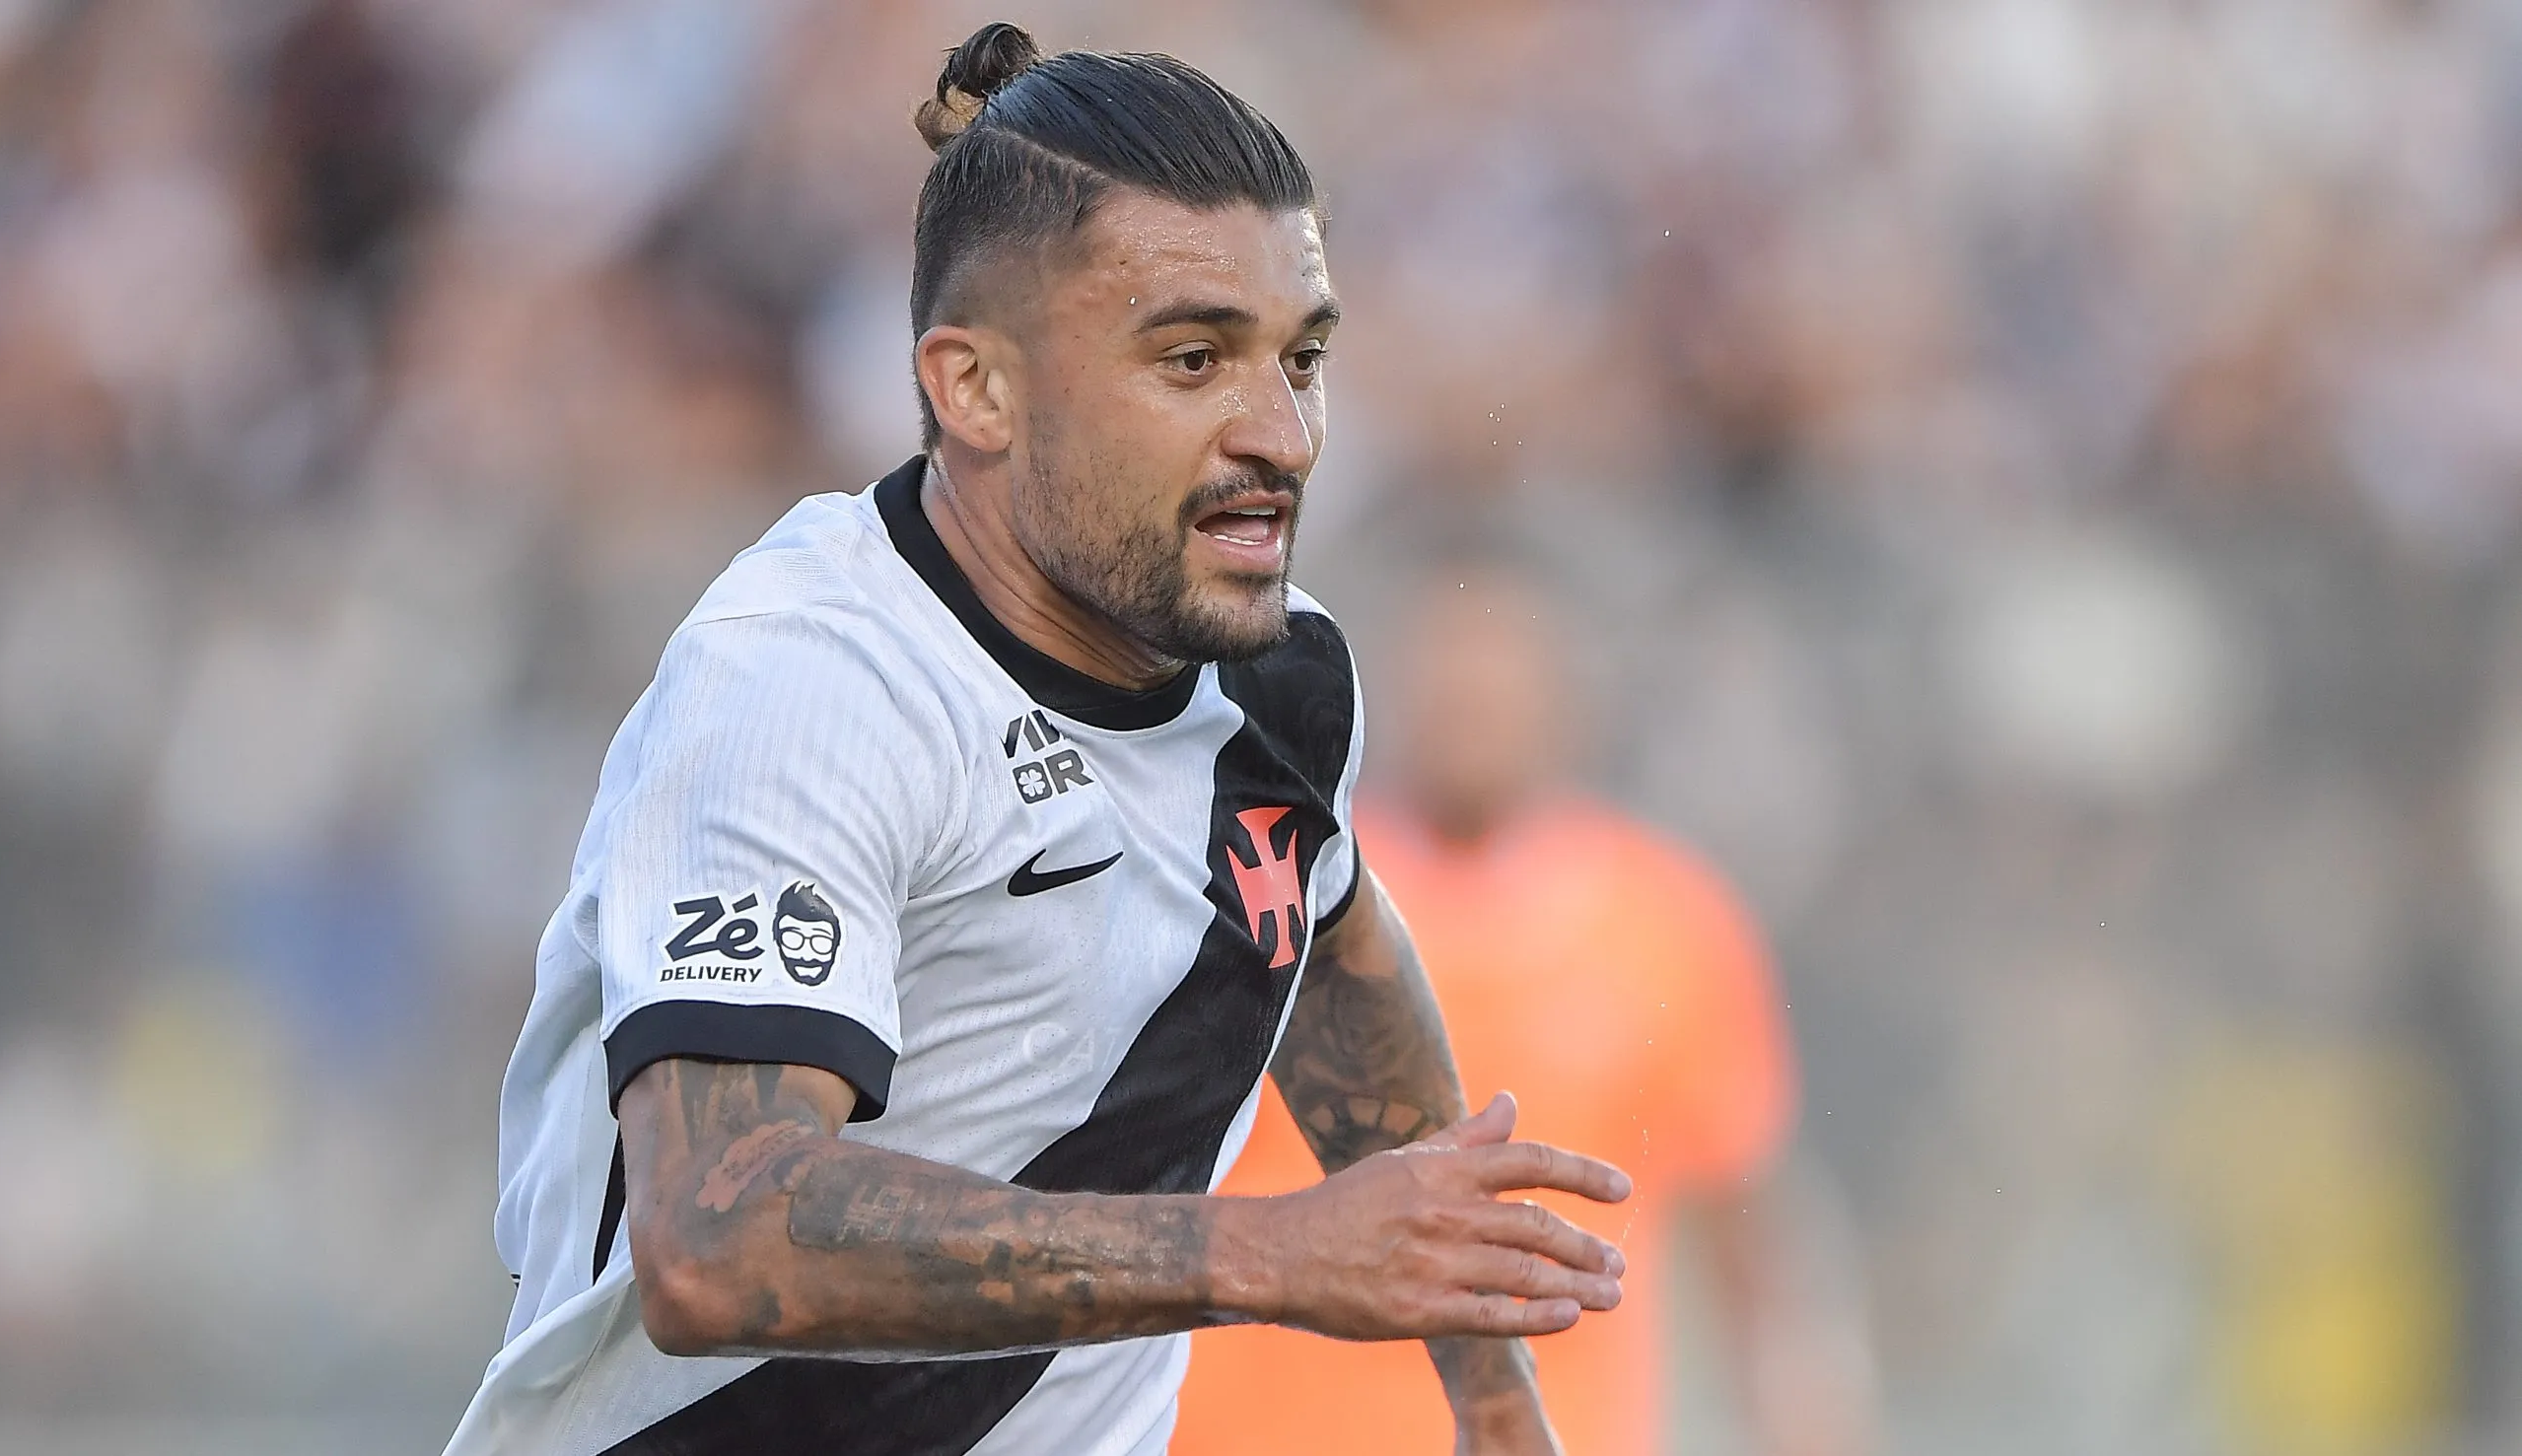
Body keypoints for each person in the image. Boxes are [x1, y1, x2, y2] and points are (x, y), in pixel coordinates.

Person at [446, 25, 1634, 1456]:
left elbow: (1329, 941)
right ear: (976, 389)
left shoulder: (1281, 680)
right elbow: (718, 1236)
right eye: (1193, 359)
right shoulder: (808, 684)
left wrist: (1497, 1405)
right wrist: (1265, 1249)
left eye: (1302, 358)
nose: (1284, 433)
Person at [1176, 565, 1874, 1456]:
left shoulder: (1668, 924)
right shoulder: (1268, 889)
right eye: (1450, 666)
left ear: (1567, 693)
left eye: (1503, 671)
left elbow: (1753, 1241)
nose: (1474, 699)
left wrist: (1808, 1419)